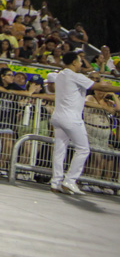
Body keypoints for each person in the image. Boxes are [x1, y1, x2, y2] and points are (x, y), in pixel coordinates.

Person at [43, 52, 117, 194]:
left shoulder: (60, 75)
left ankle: (55, 182)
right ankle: (69, 181)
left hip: (58, 117)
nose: (81, 63)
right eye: (79, 60)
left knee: (59, 150)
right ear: (74, 62)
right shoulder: (76, 76)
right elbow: (102, 88)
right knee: (83, 149)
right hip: (71, 118)